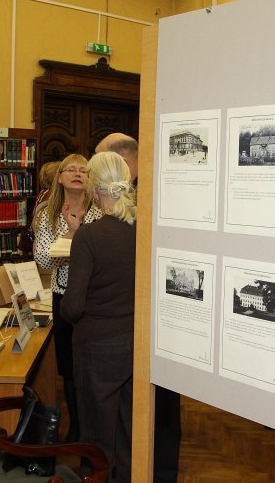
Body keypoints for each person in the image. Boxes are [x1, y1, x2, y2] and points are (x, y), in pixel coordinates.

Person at [96, 132, 181, 483]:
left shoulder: (153, 196)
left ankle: (158, 472)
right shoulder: (140, 194)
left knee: (160, 408)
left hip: (157, 322)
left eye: (99, 161)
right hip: (139, 322)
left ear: (123, 162)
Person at [61, 151, 137, 483]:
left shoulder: (89, 237)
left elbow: (73, 306)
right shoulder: (144, 231)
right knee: (128, 434)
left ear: (94, 192)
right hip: (136, 343)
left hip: (96, 350)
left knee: (96, 439)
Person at [33, 153, 102, 442]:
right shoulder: (46, 212)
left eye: (83, 170)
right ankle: (76, 426)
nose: (77, 174)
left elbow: (103, 259)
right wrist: (75, 241)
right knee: (70, 368)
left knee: (93, 365)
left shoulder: (101, 211)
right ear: (59, 177)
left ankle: (95, 425)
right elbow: (43, 260)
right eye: (70, 169)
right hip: (63, 298)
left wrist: (70, 246)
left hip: (96, 299)